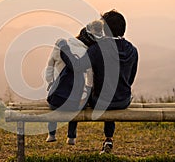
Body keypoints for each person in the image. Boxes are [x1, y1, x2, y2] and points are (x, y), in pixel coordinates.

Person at [57, 10, 138, 153]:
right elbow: (130, 79)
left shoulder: (97, 49)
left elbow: (77, 67)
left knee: (95, 94)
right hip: (124, 100)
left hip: (99, 101)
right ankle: (109, 138)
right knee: (112, 89)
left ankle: (71, 134)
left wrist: (65, 50)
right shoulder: (133, 50)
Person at [45, 20, 104, 144]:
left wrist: (50, 81)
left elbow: (50, 64)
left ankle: (51, 134)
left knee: (55, 93)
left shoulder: (62, 45)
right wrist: (87, 92)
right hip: (74, 103)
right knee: (78, 94)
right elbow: (90, 78)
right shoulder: (87, 54)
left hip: (57, 100)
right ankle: (71, 137)